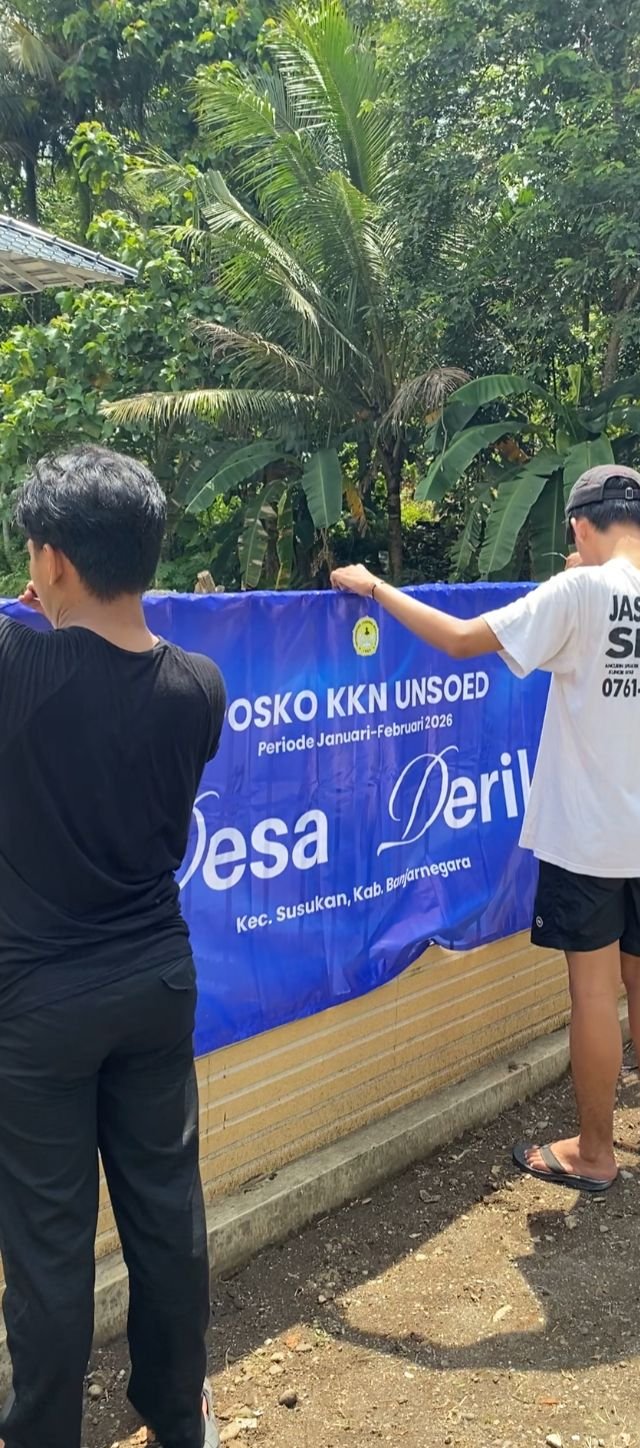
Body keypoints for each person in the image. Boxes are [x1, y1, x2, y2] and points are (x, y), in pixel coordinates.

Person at [332, 465, 640, 1191]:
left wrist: (374, 588)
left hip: (587, 839)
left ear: (579, 528)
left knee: (592, 992)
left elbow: (459, 640)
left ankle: (594, 1151)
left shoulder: (578, 592)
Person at [0, 448, 224, 1448]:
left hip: (40, 1000)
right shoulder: (199, 685)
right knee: (167, 1210)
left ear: (49, 560)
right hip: (155, 978)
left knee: (48, 1240)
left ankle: (42, 1431)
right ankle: (177, 1411)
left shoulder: (19, 669)